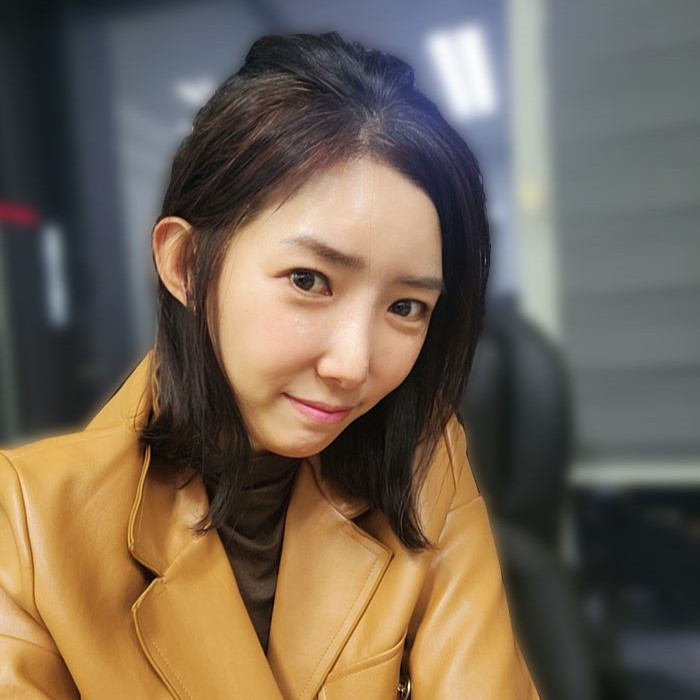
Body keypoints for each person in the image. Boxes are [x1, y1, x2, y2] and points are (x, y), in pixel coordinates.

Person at [0, 31, 540, 699]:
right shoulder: (29, 524)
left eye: (406, 307)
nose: (353, 365)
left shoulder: (424, 461)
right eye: (309, 281)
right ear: (187, 264)